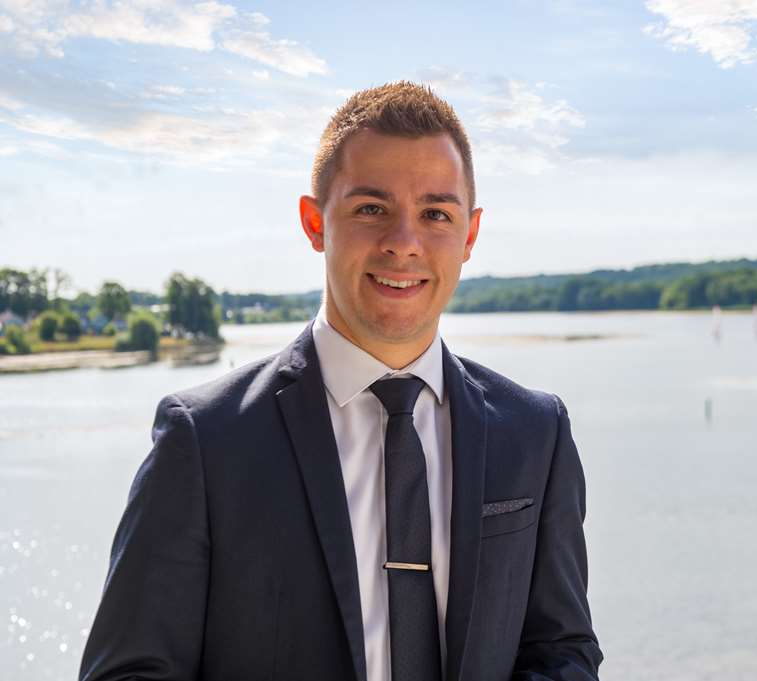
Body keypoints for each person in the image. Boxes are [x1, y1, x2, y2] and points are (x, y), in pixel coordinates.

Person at [79, 82, 602, 681]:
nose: (403, 243)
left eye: (435, 214)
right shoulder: (205, 440)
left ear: (470, 235)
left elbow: (561, 650)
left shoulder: (535, 433)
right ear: (315, 223)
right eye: (371, 209)